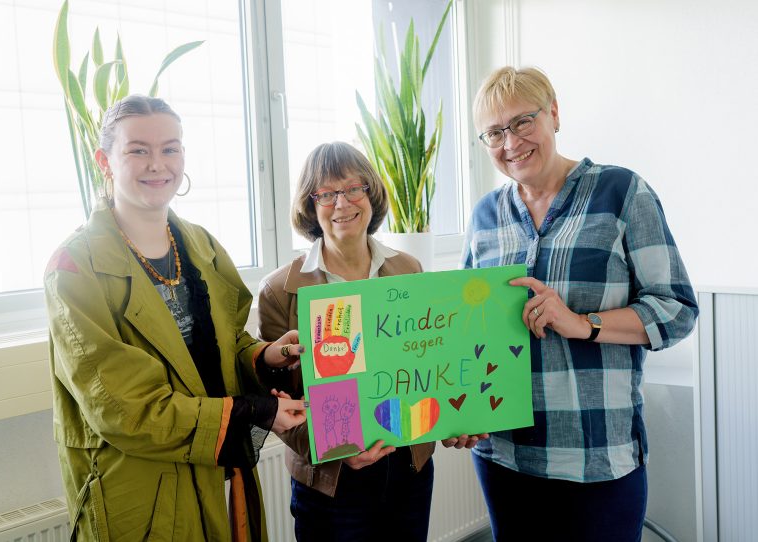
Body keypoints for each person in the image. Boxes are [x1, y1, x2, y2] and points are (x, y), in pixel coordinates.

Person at [44, 95, 307, 541]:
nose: (157, 164)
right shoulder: (74, 267)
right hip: (141, 490)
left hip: (222, 474)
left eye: (171, 148)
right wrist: (255, 410)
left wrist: (265, 357)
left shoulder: (201, 245)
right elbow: (126, 408)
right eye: (138, 150)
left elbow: (228, 345)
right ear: (104, 160)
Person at [462, 67, 698, 542]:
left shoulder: (622, 192)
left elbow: (677, 309)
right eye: (494, 132)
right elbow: (471, 331)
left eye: (523, 122)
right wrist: (463, 414)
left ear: (553, 114)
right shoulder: (486, 214)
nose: (510, 143)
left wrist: (581, 322)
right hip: (504, 455)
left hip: (597, 455)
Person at [256, 142, 436, 541]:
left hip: (407, 466)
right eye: (326, 193)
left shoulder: (409, 270)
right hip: (331, 481)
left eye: (354, 188)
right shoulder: (279, 290)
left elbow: (427, 364)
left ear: (371, 194)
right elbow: (276, 400)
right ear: (310, 205)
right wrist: (332, 448)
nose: (343, 203)